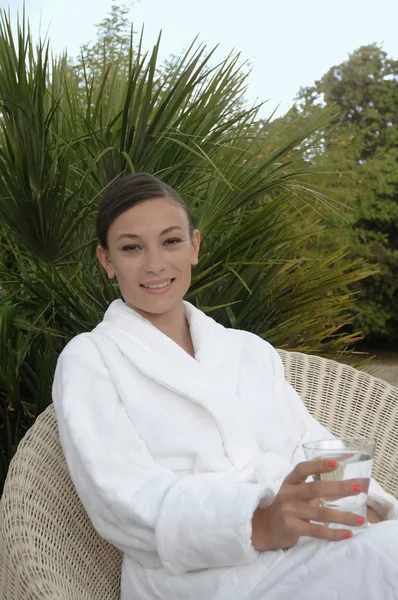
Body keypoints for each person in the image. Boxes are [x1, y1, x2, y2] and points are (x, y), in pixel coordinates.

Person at [52, 173, 398, 600]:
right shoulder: (90, 358)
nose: (156, 264)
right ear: (107, 261)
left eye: (171, 241)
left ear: (194, 246)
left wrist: (366, 506)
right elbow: (120, 498)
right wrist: (257, 524)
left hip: (296, 544)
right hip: (195, 573)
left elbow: (309, 442)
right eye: (131, 247)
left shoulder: (247, 350)